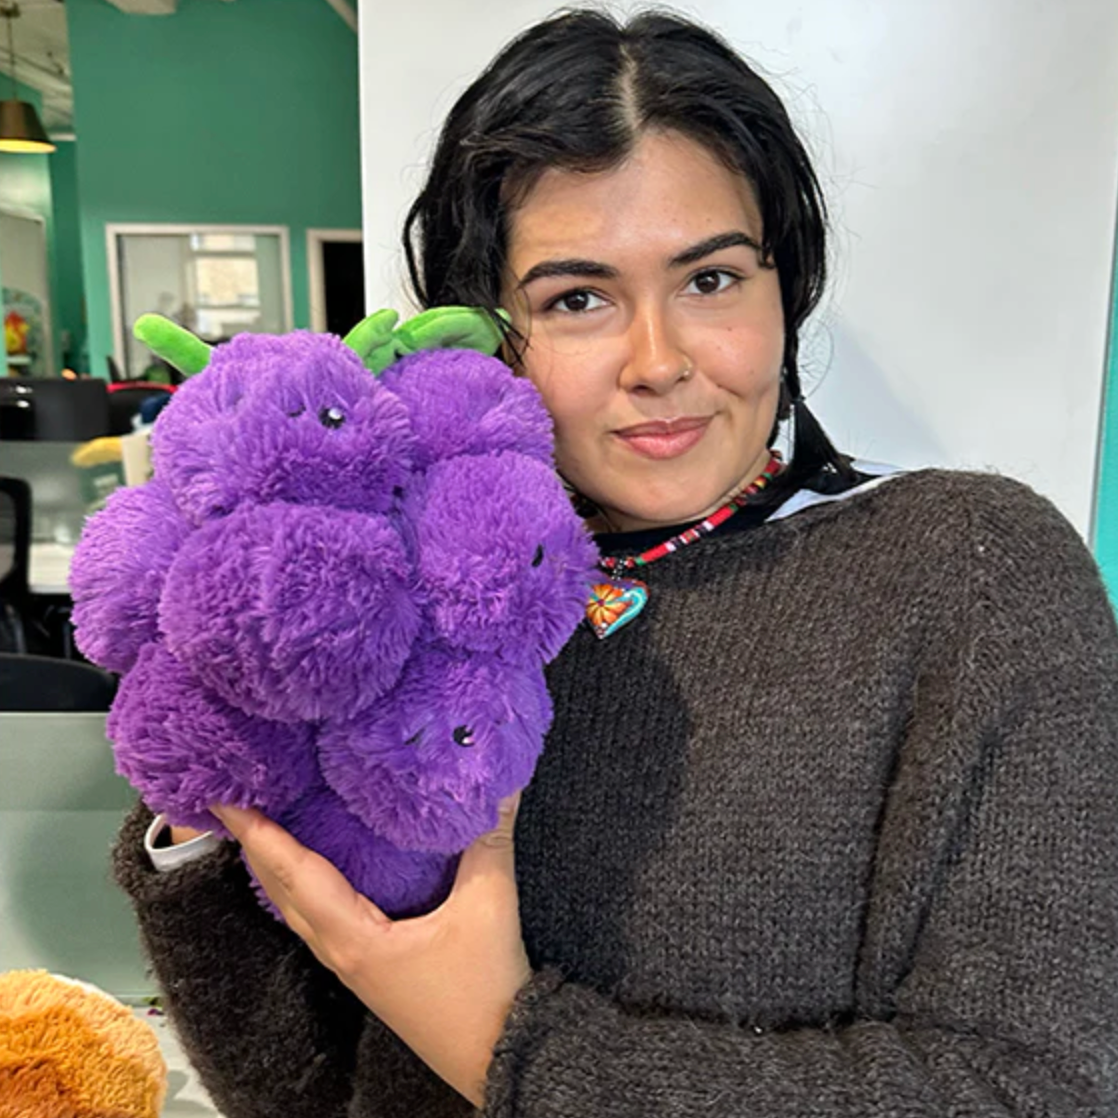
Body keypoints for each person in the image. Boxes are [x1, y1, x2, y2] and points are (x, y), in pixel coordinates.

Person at [111, 10, 1118, 1117]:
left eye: (711, 279)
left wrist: (503, 1043)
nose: (658, 361)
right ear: (483, 330)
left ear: (786, 286)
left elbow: (1038, 1089)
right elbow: (304, 1094)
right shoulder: (423, 595)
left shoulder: (970, 573)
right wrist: (207, 781)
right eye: (576, 299)